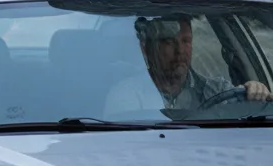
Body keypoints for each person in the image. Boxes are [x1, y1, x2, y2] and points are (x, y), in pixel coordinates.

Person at [105, 15, 272, 114]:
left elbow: (244, 108)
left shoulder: (216, 91)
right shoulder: (125, 96)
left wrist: (254, 91)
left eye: (186, 41)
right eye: (170, 42)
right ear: (146, 49)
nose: (180, 51)